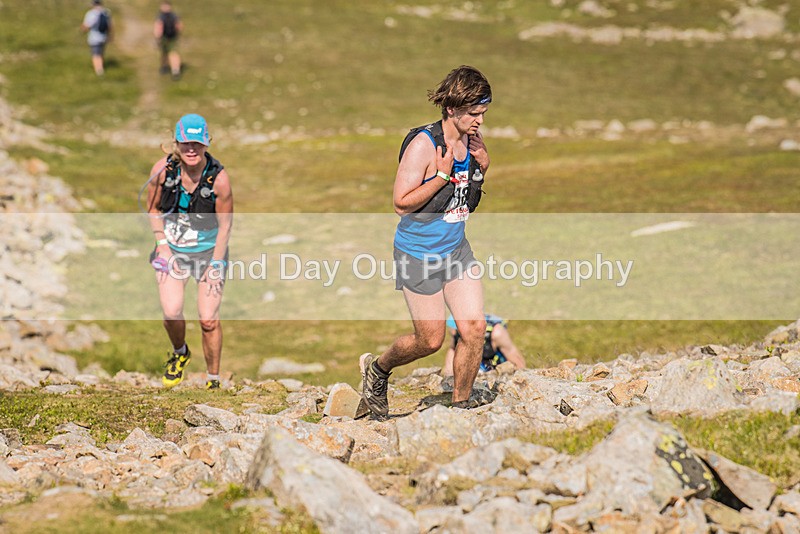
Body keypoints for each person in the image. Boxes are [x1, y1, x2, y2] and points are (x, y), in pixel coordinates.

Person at [360, 65, 493, 415]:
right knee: (430, 340)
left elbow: (464, 196)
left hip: (456, 251)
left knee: (474, 327)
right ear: (452, 108)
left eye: (483, 113)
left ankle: (460, 406)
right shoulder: (423, 144)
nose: (480, 121)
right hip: (418, 254)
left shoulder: (470, 140)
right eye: (474, 113)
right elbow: (401, 204)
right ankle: (379, 368)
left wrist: (483, 165)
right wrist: (440, 176)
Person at [145, 114, 233, 389]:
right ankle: (180, 352)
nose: (191, 149)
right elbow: (153, 208)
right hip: (171, 249)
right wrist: (162, 246)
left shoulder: (219, 180)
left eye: (197, 143)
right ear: (176, 144)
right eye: (185, 143)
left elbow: (226, 225)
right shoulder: (162, 171)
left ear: (207, 143)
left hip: (208, 253)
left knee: (208, 320)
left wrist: (216, 264)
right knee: (172, 312)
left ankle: (213, 379)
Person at [443, 314, 526, 377]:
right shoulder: (455, 328)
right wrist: (449, 376)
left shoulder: (497, 334)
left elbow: (520, 367)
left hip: (497, 374)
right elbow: (453, 349)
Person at [80, 0, 112, 76]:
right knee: (100, 53)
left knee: (95, 54)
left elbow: (87, 25)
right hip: (104, 37)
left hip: (94, 38)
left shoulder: (91, 13)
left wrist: (82, 29)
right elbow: (110, 26)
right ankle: (101, 67)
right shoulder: (106, 12)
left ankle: (99, 71)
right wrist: (110, 35)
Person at [154, 1, 183, 80]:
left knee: (165, 53)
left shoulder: (160, 16)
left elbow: (158, 27)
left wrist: (157, 38)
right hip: (173, 37)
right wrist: (178, 35)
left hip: (164, 37)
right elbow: (179, 26)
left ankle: (165, 67)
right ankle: (175, 71)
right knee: (173, 53)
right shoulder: (174, 15)